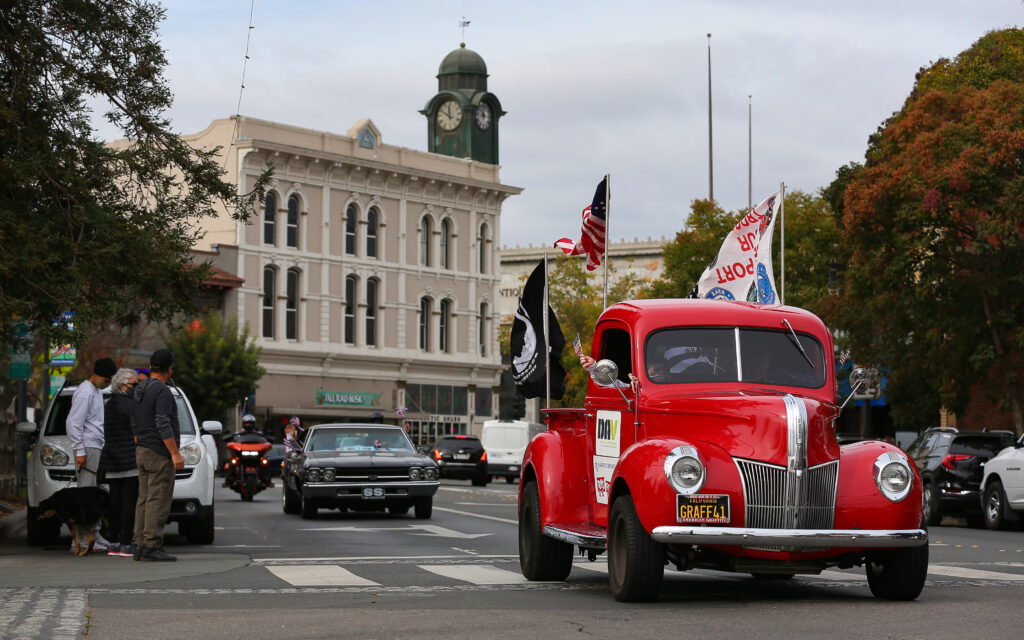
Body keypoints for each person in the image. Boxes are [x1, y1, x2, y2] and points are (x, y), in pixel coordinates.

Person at [132, 349, 183, 562]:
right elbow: (162, 422)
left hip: (142, 449)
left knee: (143, 498)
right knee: (158, 499)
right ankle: (152, 544)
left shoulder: (140, 389)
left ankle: (139, 544)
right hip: (158, 452)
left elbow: (133, 419)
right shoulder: (162, 391)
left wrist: (139, 438)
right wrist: (175, 453)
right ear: (169, 369)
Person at [66, 356, 117, 553]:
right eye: (107, 378)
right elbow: (73, 423)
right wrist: (79, 450)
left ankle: (93, 536)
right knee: (86, 495)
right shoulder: (85, 393)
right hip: (88, 446)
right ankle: (79, 540)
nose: (108, 381)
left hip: (95, 445)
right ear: (97, 375)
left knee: (95, 493)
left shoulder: (95, 391)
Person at [99, 368, 139, 557]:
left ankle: (112, 542)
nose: (136, 387)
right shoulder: (131, 405)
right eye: (134, 384)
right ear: (123, 385)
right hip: (130, 459)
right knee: (129, 504)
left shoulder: (109, 404)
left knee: (115, 503)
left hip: (112, 460)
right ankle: (126, 543)